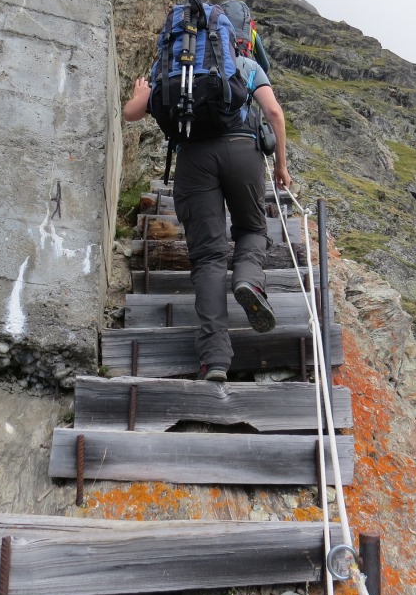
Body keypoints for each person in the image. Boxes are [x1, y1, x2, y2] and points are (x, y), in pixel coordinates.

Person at [123, 48, 291, 383]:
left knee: (208, 258)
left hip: (193, 158)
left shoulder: (171, 65)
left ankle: (215, 360)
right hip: (243, 151)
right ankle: (248, 279)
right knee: (252, 229)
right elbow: (273, 112)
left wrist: (141, 94)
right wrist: (281, 166)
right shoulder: (246, 65)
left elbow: (131, 114)